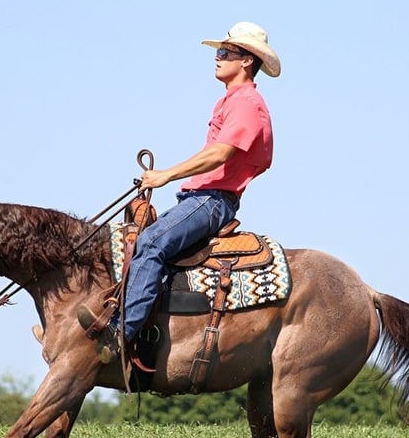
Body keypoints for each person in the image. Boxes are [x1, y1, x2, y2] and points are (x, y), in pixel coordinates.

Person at [78, 21, 281, 364]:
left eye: (225, 52)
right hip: (200, 198)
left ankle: (121, 334)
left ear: (247, 61)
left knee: (151, 243)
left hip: (211, 200)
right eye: (220, 51)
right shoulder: (231, 100)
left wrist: (165, 176)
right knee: (132, 240)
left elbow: (220, 153)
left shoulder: (247, 102)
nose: (217, 58)